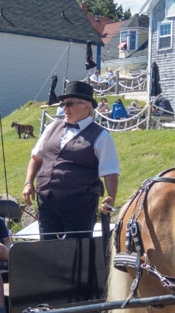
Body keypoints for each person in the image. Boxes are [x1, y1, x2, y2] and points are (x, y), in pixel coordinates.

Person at [22, 79, 119, 239]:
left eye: (69, 104)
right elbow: (36, 158)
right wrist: (28, 182)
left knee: (76, 252)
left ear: (86, 105)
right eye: (63, 104)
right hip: (47, 200)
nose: (64, 108)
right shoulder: (52, 127)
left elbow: (110, 171)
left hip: (79, 204)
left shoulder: (101, 135)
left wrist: (111, 197)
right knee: (48, 248)